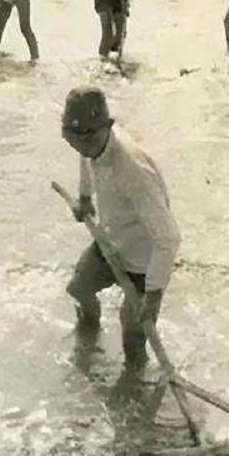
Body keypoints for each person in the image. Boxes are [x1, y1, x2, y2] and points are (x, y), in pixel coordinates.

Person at [62, 87, 181, 368]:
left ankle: (135, 395)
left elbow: (169, 238)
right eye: (76, 139)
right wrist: (84, 197)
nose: (84, 145)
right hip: (111, 240)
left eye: (90, 137)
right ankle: (89, 340)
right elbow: (87, 157)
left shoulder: (133, 170)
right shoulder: (89, 146)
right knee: (78, 288)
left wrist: (153, 296)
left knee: (133, 341)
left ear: (108, 127)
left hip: (143, 259)